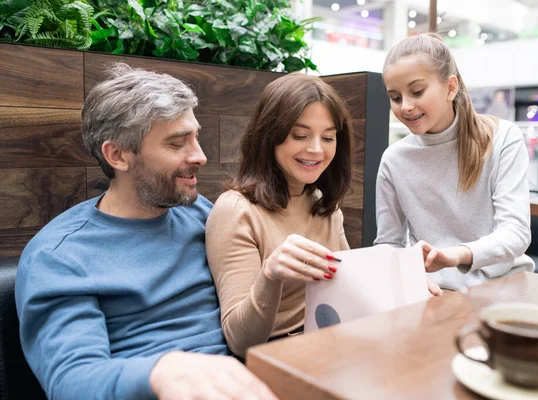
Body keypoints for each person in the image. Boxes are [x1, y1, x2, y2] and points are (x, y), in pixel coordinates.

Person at [15, 64, 276, 400]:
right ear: (118, 155)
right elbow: (71, 382)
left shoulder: (203, 215)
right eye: (177, 143)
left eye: (196, 137)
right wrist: (163, 371)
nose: (201, 156)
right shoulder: (59, 256)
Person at [206, 74, 353, 357]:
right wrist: (271, 275)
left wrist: (406, 280)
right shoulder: (236, 210)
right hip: (276, 358)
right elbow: (240, 341)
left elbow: (349, 282)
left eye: (328, 137)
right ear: (269, 136)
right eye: (300, 135)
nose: (316, 149)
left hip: (328, 344)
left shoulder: (323, 203)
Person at [374, 33, 534, 291]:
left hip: (503, 288)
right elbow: (388, 244)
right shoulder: (394, 160)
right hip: (433, 293)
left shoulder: (503, 138)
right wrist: (408, 279)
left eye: (417, 92)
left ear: (450, 87)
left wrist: (456, 255)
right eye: (395, 97)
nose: (405, 107)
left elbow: (515, 233)